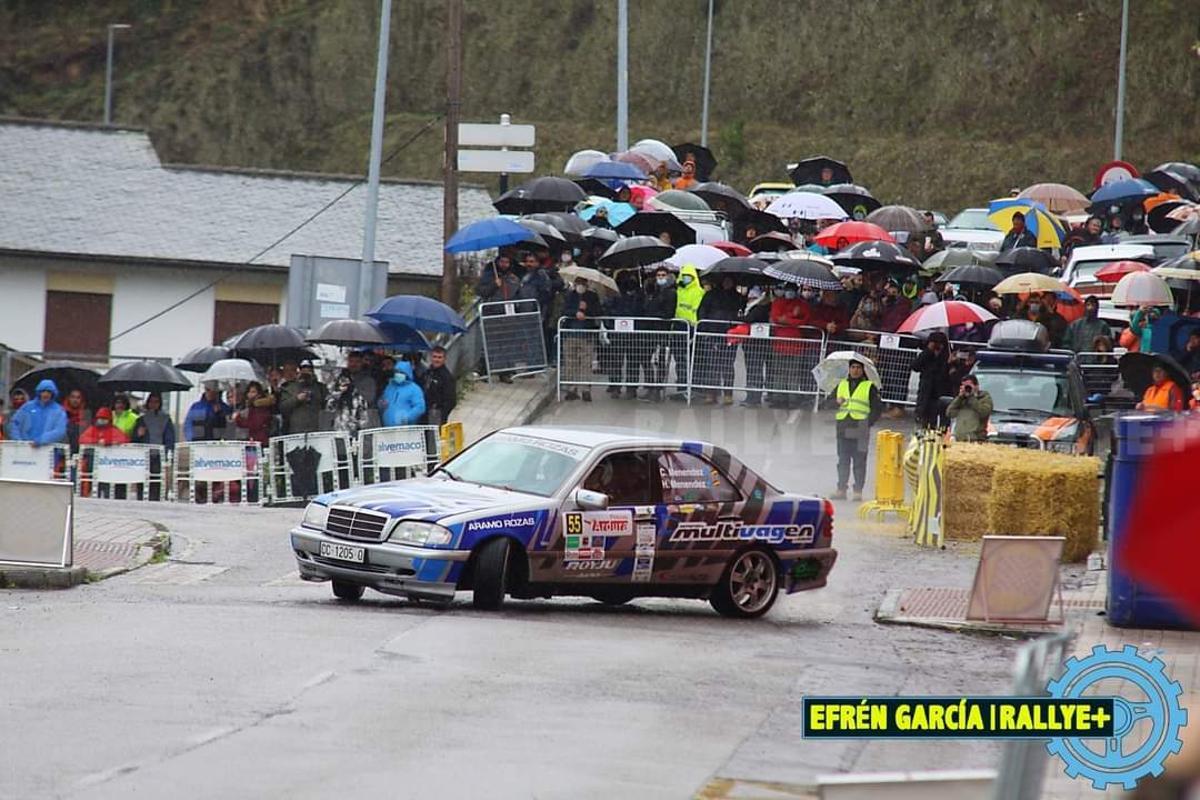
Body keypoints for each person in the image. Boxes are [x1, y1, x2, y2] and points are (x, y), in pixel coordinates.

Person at [832, 357, 882, 501]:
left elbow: (877, 408)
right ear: (849, 369)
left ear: (863, 370)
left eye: (858, 368)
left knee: (859, 461)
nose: (855, 370)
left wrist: (868, 423)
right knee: (843, 460)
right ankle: (841, 489)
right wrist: (836, 402)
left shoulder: (869, 387)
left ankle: (857, 491)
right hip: (843, 427)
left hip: (860, 427)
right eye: (853, 367)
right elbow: (827, 403)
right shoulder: (841, 385)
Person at [696, 274, 744, 403]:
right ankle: (711, 393)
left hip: (730, 335)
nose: (727, 283)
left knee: (728, 364)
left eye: (730, 280)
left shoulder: (738, 298)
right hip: (712, 333)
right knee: (712, 364)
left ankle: (728, 393)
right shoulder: (710, 295)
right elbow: (701, 312)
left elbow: (742, 314)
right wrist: (704, 328)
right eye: (725, 280)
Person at [768, 285, 812, 407]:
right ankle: (779, 399)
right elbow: (776, 318)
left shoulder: (803, 305)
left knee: (793, 373)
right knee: (779, 372)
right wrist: (793, 316)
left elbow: (805, 320)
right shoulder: (778, 302)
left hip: (795, 344)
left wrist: (787, 319)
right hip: (780, 343)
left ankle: (792, 399)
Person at [603, 271, 645, 397]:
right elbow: (608, 311)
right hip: (621, 333)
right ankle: (620, 387)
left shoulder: (637, 294)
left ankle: (625, 387)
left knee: (625, 361)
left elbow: (641, 311)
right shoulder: (616, 294)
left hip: (630, 333)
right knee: (621, 361)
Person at [560, 276, 601, 401]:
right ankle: (571, 389)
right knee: (570, 363)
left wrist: (586, 309)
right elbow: (564, 310)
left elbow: (599, 311)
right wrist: (575, 312)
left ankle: (586, 390)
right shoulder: (569, 295)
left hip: (586, 335)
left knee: (585, 364)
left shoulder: (592, 296)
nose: (580, 285)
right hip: (570, 334)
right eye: (578, 283)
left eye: (583, 283)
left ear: (587, 284)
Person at [642, 266, 678, 401]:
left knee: (661, 360)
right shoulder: (653, 291)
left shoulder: (671, 292)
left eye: (663, 275)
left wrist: (655, 314)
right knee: (646, 358)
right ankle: (651, 385)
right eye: (658, 275)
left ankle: (658, 388)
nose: (661, 277)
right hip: (650, 330)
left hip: (663, 330)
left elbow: (668, 312)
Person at [9, 379, 68, 447]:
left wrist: (40, 440)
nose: (46, 394)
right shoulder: (27, 407)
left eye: (49, 391)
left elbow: (60, 431)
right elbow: (15, 423)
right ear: (39, 392)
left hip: (47, 448)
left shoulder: (58, 410)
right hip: (25, 448)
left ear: (53, 393)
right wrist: (19, 441)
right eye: (43, 391)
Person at [910, 331, 952, 428]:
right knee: (926, 422)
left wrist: (949, 363)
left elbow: (947, 374)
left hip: (942, 392)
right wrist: (928, 351)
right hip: (926, 392)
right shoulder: (927, 355)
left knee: (943, 422)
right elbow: (915, 366)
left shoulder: (946, 356)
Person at [278, 360, 326, 434]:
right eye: (303, 370)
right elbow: (283, 407)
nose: (306, 373)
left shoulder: (320, 387)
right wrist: (297, 399)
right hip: (296, 430)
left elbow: (326, 405)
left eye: (309, 370)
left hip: (316, 429)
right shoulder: (289, 387)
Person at [946, 374, 993, 442]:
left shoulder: (984, 398)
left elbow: (984, 412)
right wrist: (959, 397)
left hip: (975, 440)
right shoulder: (961, 400)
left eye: (968, 386)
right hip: (959, 439)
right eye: (964, 386)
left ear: (976, 386)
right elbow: (949, 413)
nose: (966, 388)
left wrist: (971, 397)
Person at [325, 371, 370, 438]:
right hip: (338, 434)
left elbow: (365, 419)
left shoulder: (359, 399)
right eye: (342, 384)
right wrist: (338, 394)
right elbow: (329, 410)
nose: (344, 387)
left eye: (346, 385)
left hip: (355, 435)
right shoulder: (335, 398)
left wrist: (356, 425)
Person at [420, 345, 457, 426]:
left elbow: (451, 401)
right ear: (431, 358)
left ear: (444, 359)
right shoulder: (427, 373)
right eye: (434, 357)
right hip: (423, 411)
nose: (436, 359)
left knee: (433, 438)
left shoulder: (447, 377)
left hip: (436, 413)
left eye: (439, 357)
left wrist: (441, 415)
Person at [234, 381, 273, 447]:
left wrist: (238, 418)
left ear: (259, 394)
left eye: (253, 392)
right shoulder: (251, 406)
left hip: (261, 441)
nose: (250, 394)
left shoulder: (261, 407)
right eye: (249, 392)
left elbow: (253, 424)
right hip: (252, 440)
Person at [60, 387, 90, 454]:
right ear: (68, 398)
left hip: (80, 452)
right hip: (63, 450)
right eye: (73, 397)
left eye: (78, 397)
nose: (75, 400)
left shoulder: (86, 414)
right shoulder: (60, 413)